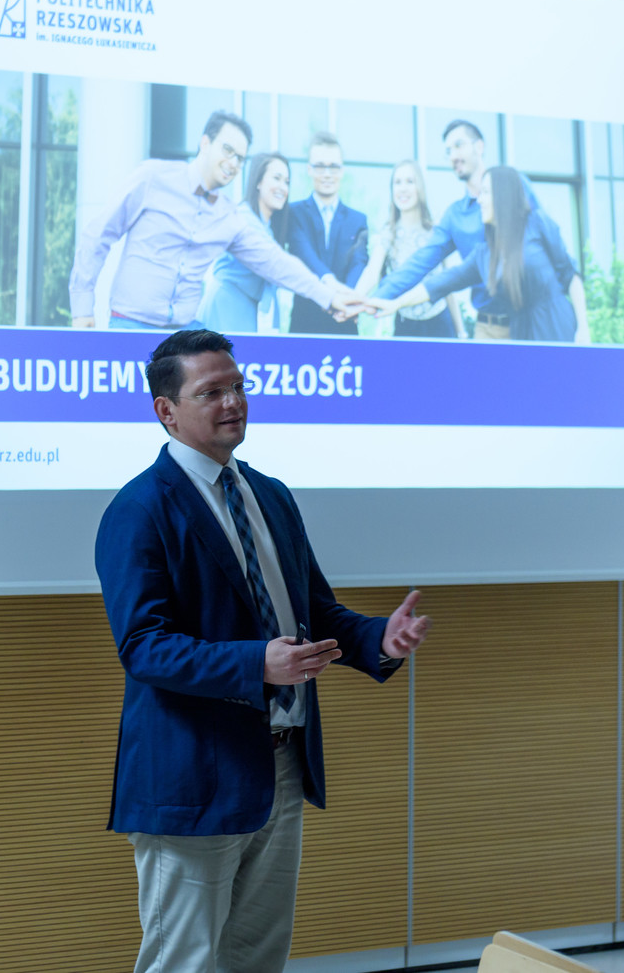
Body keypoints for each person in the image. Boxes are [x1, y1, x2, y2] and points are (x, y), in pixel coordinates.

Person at [97, 329, 431, 973]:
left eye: (239, 386)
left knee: (256, 959)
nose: (233, 402)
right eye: (211, 392)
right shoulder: (140, 508)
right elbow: (144, 647)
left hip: (280, 763)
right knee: (184, 961)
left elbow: (313, 613)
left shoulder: (269, 494)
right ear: (166, 411)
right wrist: (257, 663)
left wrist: (378, 638)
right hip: (194, 776)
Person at [69, 111, 365, 330]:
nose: (233, 163)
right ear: (205, 142)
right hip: (130, 324)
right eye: (227, 150)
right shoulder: (152, 178)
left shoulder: (228, 217)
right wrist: (82, 307)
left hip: (183, 338)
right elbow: (98, 234)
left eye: (240, 158)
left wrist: (329, 297)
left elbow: (276, 262)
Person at [371, 119, 587, 342]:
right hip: (502, 328)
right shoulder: (479, 250)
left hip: (551, 325)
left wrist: (583, 328)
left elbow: (567, 270)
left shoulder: (533, 218)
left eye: (458, 145)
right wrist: (389, 301)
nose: (453, 155)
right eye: (448, 151)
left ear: (479, 147)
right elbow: (438, 280)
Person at [354, 158, 464, 339]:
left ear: (420, 187)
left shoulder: (437, 231)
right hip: (405, 325)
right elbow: (372, 272)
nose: (403, 188)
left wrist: (461, 332)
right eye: (397, 183)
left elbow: (448, 285)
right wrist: (353, 301)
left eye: (409, 182)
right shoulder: (388, 233)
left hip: (440, 323)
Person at [196, 152, 293, 333]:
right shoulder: (243, 218)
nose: (282, 187)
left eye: (286, 182)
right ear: (258, 181)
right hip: (225, 305)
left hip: (246, 309)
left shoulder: (269, 228)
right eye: (277, 178)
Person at [286, 131, 369, 336]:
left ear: (342, 170)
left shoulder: (358, 220)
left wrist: (348, 299)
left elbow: (359, 261)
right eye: (320, 166)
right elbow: (304, 253)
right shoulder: (293, 213)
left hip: (345, 320)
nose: (327, 174)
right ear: (309, 169)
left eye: (333, 167)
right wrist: (334, 293)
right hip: (304, 323)